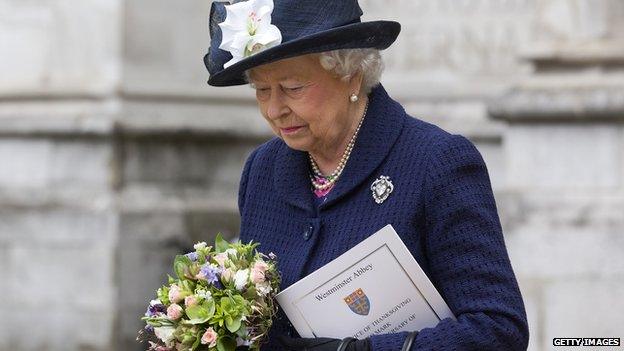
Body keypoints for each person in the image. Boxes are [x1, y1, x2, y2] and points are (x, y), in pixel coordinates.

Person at [204, 0, 529, 350]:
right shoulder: (262, 170)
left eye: (293, 88)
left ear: (351, 75)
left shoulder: (436, 162)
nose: (274, 110)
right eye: (262, 91)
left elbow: (498, 329)